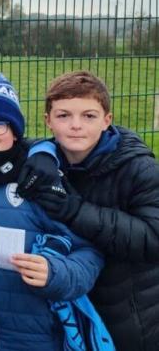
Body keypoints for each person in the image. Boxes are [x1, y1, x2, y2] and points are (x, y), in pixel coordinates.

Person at [0, 72, 106, 351]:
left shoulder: (41, 177)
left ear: (15, 129)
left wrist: (55, 272)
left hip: (36, 338)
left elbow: (90, 251)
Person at [16, 70, 159, 351]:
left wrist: (76, 211)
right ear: (48, 121)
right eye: (63, 115)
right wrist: (42, 151)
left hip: (131, 312)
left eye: (89, 116)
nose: (76, 125)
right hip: (70, 303)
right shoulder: (49, 159)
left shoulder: (139, 169)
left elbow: (154, 238)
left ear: (107, 120)